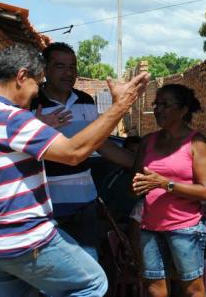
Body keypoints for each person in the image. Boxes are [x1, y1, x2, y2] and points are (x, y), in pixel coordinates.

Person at [0, 44, 149, 297]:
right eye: (34, 83)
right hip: (25, 240)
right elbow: (73, 153)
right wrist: (120, 106)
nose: (33, 92)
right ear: (21, 77)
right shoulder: (15, 118)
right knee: (93, 283)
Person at [31, 42, 135, 260]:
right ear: (45, 70)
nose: (69, 73)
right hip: (46, 208)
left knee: (89, 268)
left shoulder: (86, 101)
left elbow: (100, 144)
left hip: (85, 204)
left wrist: (139, 163)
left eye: (73, 67)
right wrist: (38, 128)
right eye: (60, 66)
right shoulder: (32, 104)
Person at [132, 84, 206, 297]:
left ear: (183, 110)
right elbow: (136, 181)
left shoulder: (196, 143)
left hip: (184, 228)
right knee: (154, 288)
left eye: (165, 105)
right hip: (150, 227)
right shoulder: (148, 141)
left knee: (193, 290)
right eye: (156, 104)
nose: (158, 109)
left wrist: (165, 184)